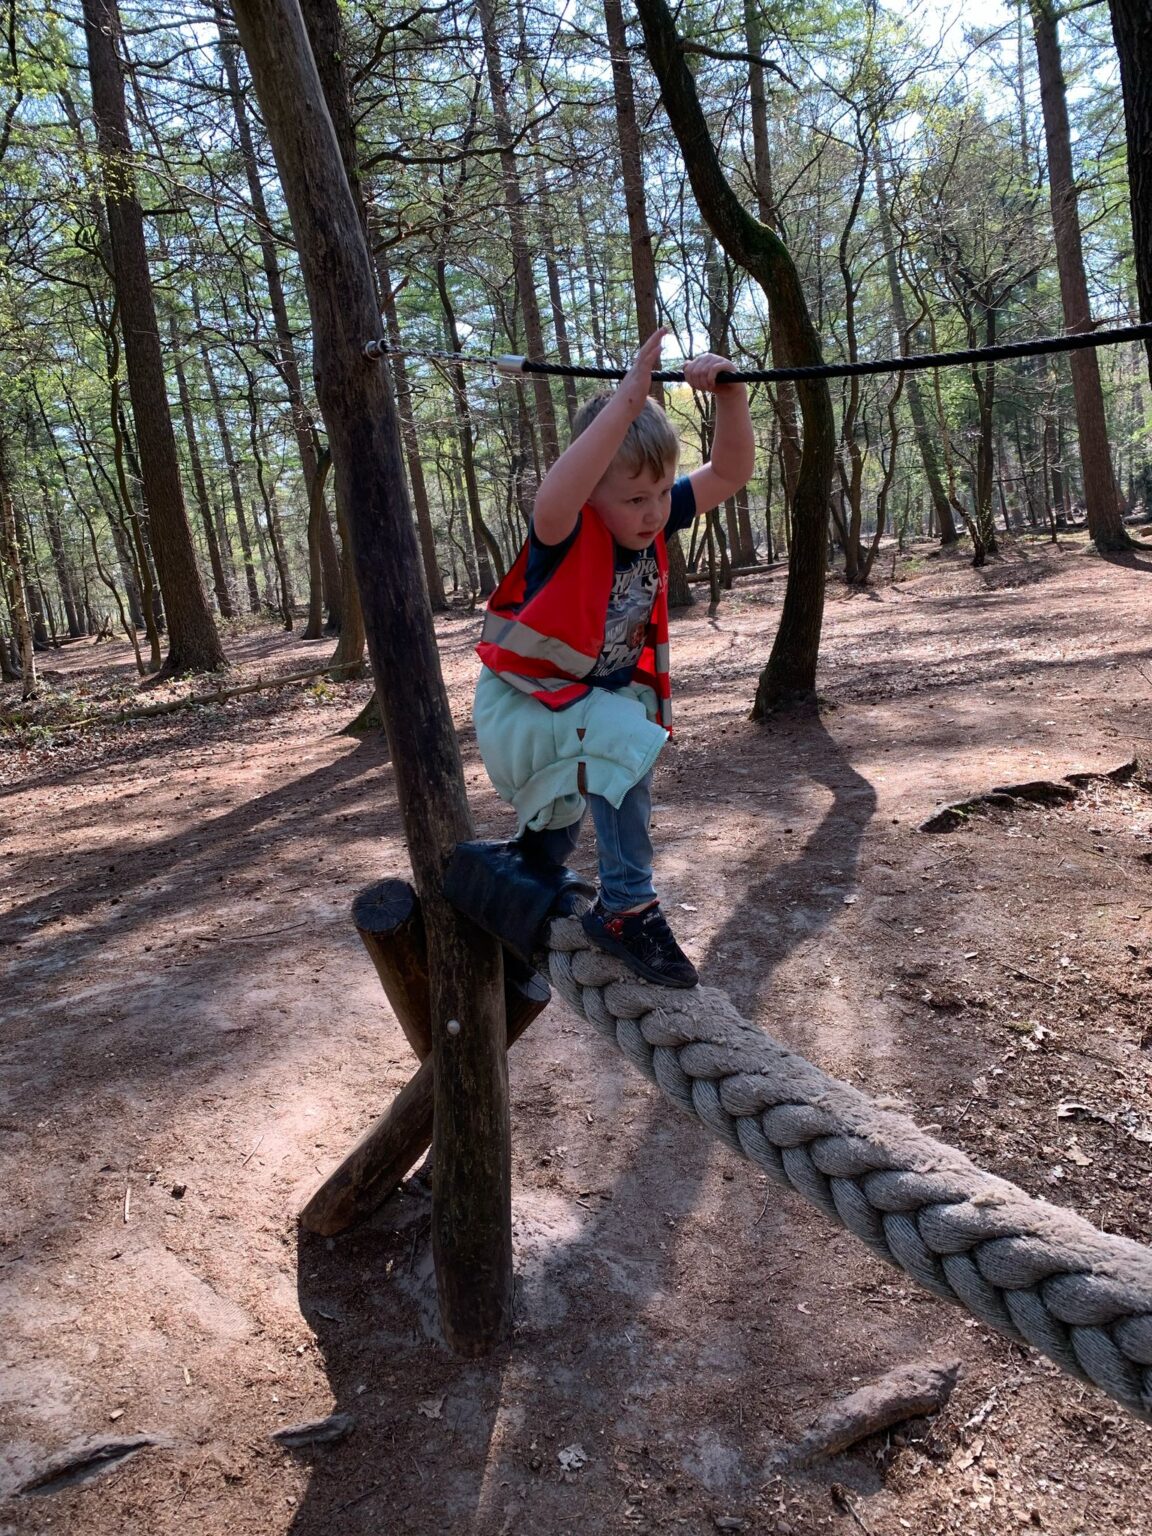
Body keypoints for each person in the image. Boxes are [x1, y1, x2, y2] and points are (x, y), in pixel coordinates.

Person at [473, 328, 755, 987]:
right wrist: (626, 402)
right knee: (626, 735)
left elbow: (730, 473)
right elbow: (557, 492)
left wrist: (732, 396)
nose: (655, 513)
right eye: (634, 499)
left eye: (661, 495)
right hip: (523, 703)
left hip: (577, 703)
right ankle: (627, 905)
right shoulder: (565, 527)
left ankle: (529, 875)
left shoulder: (651, 511)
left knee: (561, 819)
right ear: (593, 493)